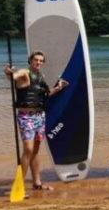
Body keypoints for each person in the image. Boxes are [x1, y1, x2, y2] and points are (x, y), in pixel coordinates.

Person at [4, 50, 68, 191]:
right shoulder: (24, 73)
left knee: (35, 151)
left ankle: (37, 183)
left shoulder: (40, 77)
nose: (38, 62)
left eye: (41, 61)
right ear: (30, 61)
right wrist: (8, 72)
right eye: (36, 60)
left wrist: (58, 88)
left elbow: (45, 95)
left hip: (40, 117)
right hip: (26, 117)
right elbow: (14, 76)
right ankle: (19, 186)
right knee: (28, 149)